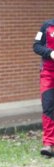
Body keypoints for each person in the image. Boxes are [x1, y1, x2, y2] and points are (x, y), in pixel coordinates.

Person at [33, 18, 54, 157]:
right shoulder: (47, 26)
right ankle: (49, 144)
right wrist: (50, 53)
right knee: (48, 107)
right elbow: (36, 46)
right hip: (48, 74)